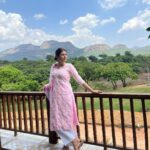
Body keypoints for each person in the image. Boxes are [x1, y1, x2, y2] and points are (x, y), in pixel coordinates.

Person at [44, 48, 101, 150]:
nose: (65, 56)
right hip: (56, 98)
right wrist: (46, 86)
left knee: (67, 120)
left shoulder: (69, 66)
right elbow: (51, 81)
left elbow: (79, 79)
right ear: (57, 56)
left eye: (66, 54)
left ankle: (71, 143)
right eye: (62, 54)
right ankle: (74, 141)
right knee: (57, 122)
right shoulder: (53, 66)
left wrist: (91, 90)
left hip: (66, 96)